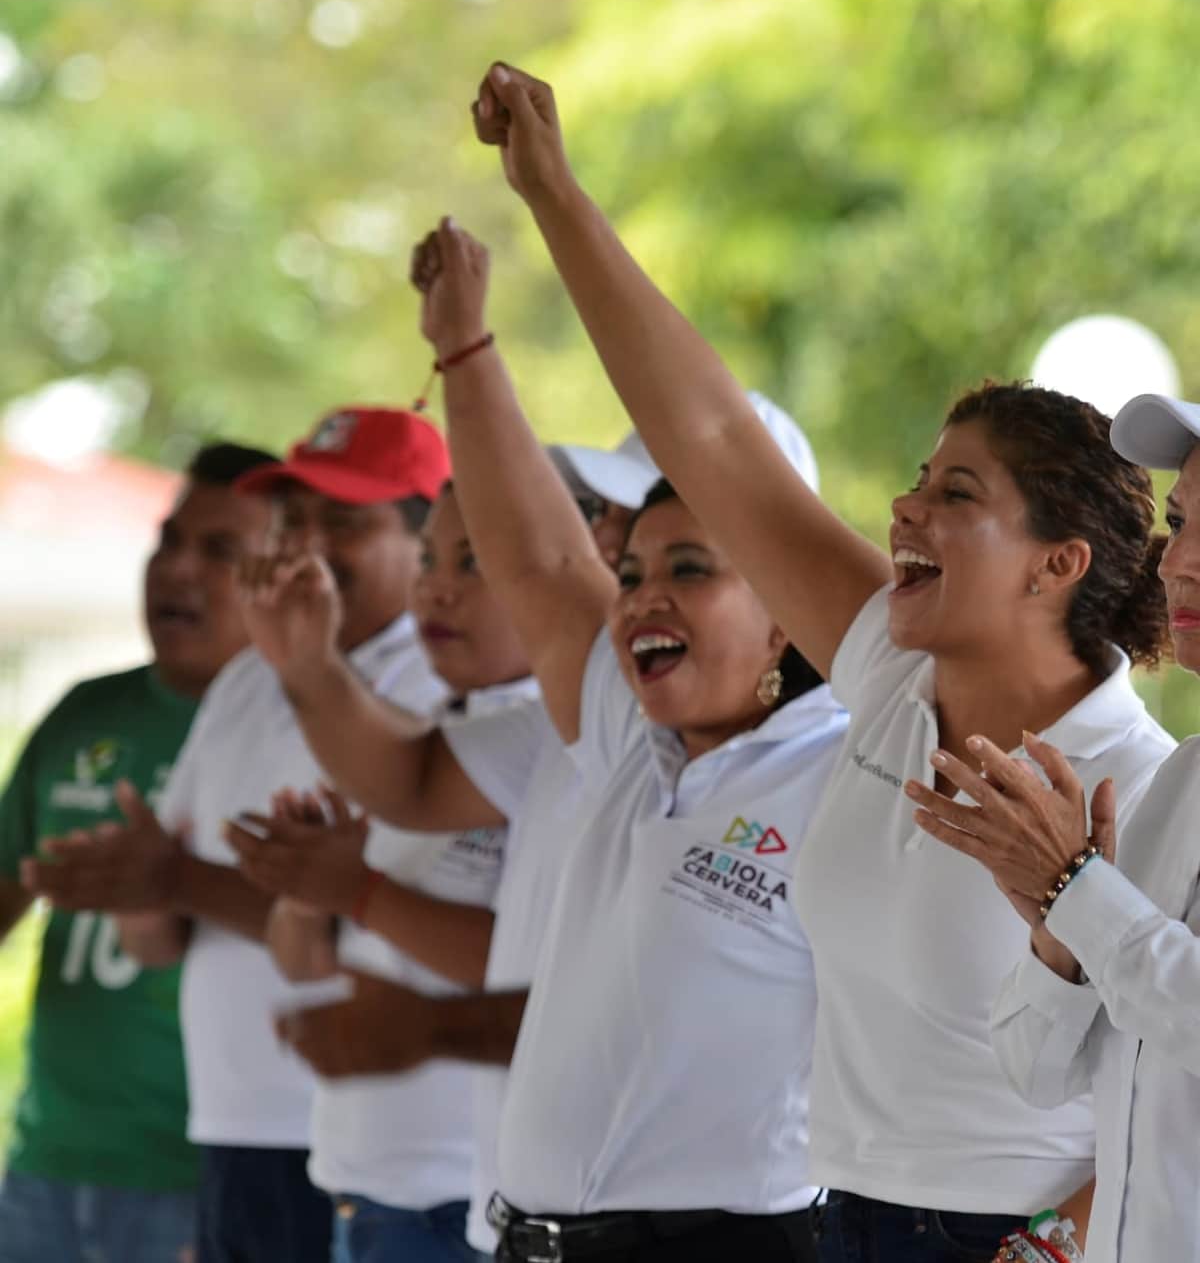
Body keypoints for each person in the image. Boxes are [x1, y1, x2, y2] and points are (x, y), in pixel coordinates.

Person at [467, 63, 1178, 1261]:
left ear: (1058, 564)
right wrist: (553, 195)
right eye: (916, 476)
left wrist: (1050, 1249)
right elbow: (714, 438)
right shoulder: (893, 683)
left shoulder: (1140, 780)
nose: (904, 508)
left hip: (1012, 1242)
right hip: (829, 1218)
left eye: (956, 492)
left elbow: (1177, 1078)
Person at [405, 215, 849, 1263]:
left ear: (787, 607)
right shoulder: (629, 735)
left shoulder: (851, 764)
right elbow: (542, 566)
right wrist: (463, 345)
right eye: (636, 571)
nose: (642, 596)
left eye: (691, 567)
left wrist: (552, 194)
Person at [23, 407, 450, 1263]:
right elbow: (158, 934)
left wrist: (171, 878)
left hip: (363, 1147)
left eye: (343, 522)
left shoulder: (439, 686)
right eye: (293, 522)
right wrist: (127, 885)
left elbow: (372, 927)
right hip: (229, 1129)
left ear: (424, 540)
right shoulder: (249, 677)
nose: (308, 547)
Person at [907, 391, 1200, 1263]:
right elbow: (1039, 1071)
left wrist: (1079, 891)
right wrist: (1061, 928)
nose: (1176, 562)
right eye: (1179, 521)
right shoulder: (1181, 781)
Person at [227, 479, 538, 1263]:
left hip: (457, 1202)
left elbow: (537, 963)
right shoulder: (427, 742)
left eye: (477, 562)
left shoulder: (566, 752)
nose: (438, 584)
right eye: (432, 558)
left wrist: (358, 891)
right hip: (362, 1191)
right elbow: (306, 963)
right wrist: (306, 894)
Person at [0, 442, 277, 1263]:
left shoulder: (305, 735)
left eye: (220, 550)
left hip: (202, 1177)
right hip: (46, 1163)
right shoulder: (87, 712)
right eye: (169, 540)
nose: (177, 570)